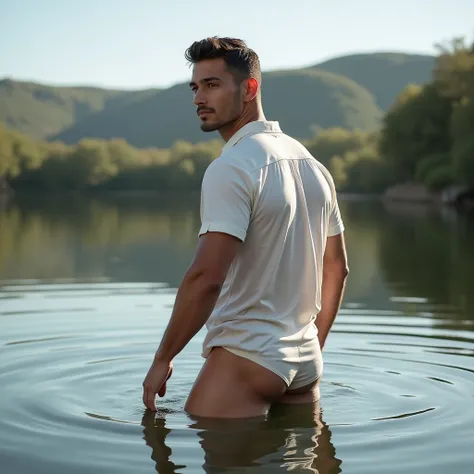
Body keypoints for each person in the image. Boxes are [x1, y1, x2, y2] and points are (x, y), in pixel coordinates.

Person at [142, 37, 349, 418]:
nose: (198, 98)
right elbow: (337, 267)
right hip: (306, 363)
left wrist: (163, 358)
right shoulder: (314, 166)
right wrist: (311, 344)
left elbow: (206, 277)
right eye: (195, 86)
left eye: (212, 85)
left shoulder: (232, 166)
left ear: (249, 88)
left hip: (247, 359)